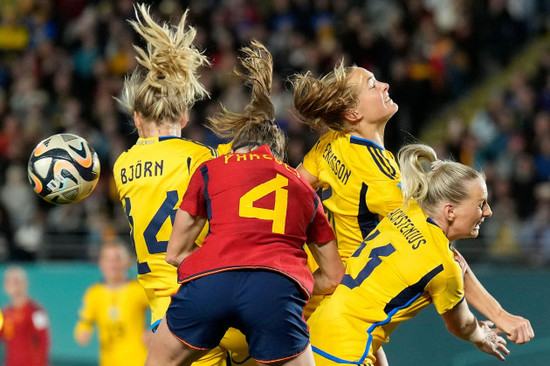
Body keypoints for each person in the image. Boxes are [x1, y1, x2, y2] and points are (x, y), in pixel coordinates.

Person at [291, 63, 534, 349]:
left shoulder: (331, 143)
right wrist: (500, 315)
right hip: (345, 300)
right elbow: (441, 253)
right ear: (353, 113)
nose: (385, 85)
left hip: (313, 285)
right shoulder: (385, 180)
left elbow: (293, 189)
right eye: (372, 84)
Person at [145, 40, 344, 366]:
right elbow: (334, 275)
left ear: (237, 146)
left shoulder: (210, 169)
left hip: (209, 283)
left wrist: (217, 267)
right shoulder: (304, 190)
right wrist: (297, 283)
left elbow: (174, 252)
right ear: (277, 154)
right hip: (276, 291)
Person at [112, 4, 250, 366]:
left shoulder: (122, 166)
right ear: (186, 115)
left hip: (166, 313)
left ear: (137, 117)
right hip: (210, 293)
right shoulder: (202, 158)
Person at [308, 143, 511, 365]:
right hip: (347, 354)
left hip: (315, 330)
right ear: (450, 211)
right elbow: (460, 325)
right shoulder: (443, 267)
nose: (488, 211)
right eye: (481, 204)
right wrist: (481, 335)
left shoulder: (404, 211)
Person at [74, 240, 150, 365]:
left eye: (117, 259)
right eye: (108, 259)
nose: (113, 265)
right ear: (101, 264)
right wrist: (82, 333)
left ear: (126, 262)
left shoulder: (138, 290)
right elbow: (84, 323)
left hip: (137, 360)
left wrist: (155, 332)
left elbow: (162, 309)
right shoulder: (94, 294)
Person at [0, 266, 50, 366]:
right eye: (9, 282)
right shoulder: (5, 313)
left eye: (17, 281)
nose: (14, 285)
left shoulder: (36, 311)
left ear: (25, 284)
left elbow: (44, 341)